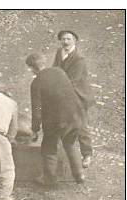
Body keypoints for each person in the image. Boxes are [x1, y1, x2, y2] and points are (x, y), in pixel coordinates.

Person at [26, 53, 86, 185]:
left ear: (31, 68)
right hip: (75, 115)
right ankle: (79, 174)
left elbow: (37, 110)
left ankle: (49, 179)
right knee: (69, 144)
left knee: (49, 147)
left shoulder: (36, 83)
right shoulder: (59, 71)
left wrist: (35, 130)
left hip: (57, 121)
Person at [53, 30, 95, 168]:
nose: (65, 42)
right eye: (63, 39)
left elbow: (73, 81)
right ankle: (61, 154)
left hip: (79, 95)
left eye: (68, 39)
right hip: (64, 94)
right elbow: (55, 70)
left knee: (81, 125)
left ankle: (87, 155)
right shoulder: (60, 53)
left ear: (74, 41)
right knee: (61, 122)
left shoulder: (79, 58)